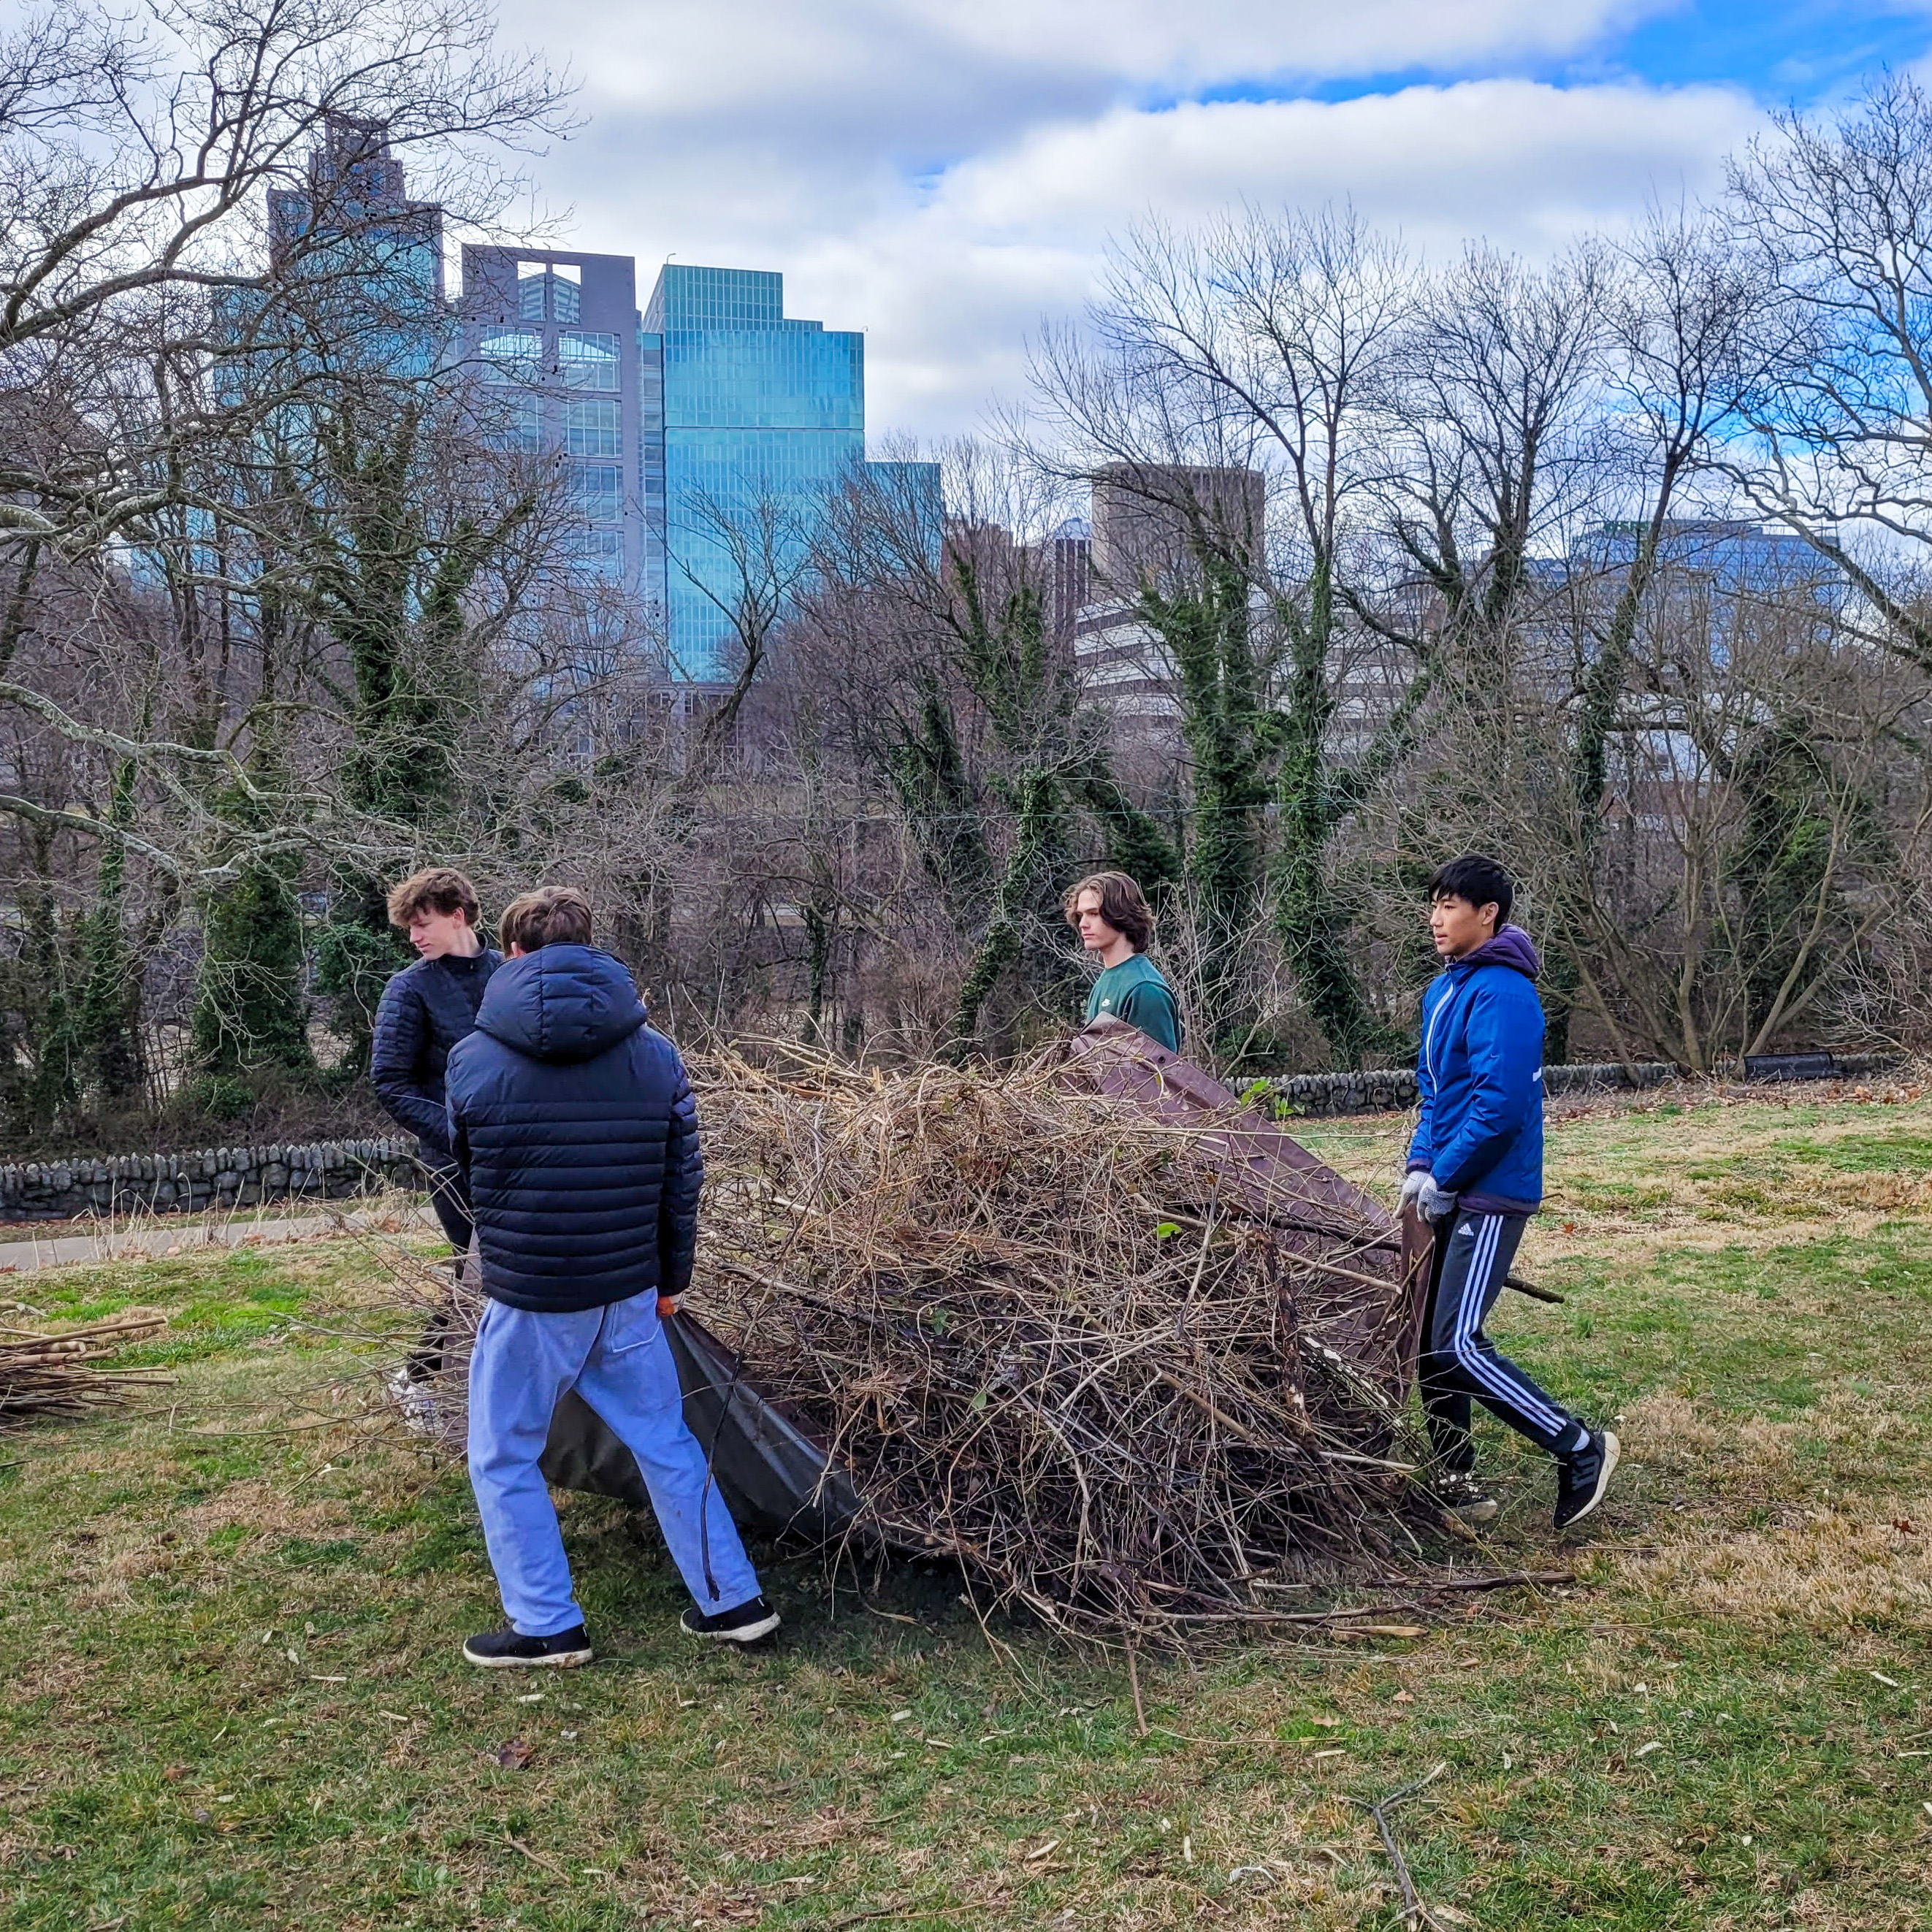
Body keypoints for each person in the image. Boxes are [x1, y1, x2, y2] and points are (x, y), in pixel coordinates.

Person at [443, 885, 776, 1667]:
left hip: (531, 1292)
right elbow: (679, 1177)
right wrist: (670, 1275)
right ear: (590, 944)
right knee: (666, 1443)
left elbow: (469, 1171)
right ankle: (734, 1601)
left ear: (514, 953)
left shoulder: (471, 1055)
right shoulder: (654, 1051)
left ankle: (546, 1622)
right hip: (627, 1288)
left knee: (500, 1453)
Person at [1401, 853, 1619, 1532]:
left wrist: (1450, 1175)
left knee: (1457, 1344)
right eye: (1433, 905)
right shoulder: (1446, 989)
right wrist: (1419, 1165)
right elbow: (1439, 1093)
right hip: (1452, 1186)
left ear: (1486, 913)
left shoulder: (1503, 992)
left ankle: (1580, 1447)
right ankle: (1458, 1484)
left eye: (1449, 905)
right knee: (1429, 1345)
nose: (1435, 918)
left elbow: (1498, 1105)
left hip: (1492, 1193)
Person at [370, 868, 501, 1263]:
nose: (414, 937)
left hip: (526, 1154)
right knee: (477, 1269)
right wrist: (458, 1138)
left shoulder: (511, 972)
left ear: (457, 916)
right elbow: (391, 1082)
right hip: (454, 1165)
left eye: (423, 924)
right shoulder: (407, 989)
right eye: (410, 928)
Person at [1065, 871, 1181, 1053]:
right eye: (1080, 916)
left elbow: (1159, 1076)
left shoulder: (1145, 989)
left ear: (1120, 915)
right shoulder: (1105, 981)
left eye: (1093, 914)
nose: (1083, 924)